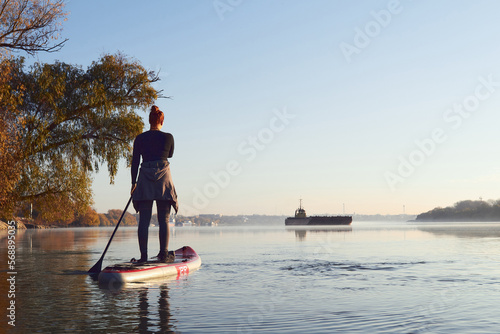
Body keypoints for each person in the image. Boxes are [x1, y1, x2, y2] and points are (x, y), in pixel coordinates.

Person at [130, 105, 178, 263]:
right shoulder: (168, 137)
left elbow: (135, 161)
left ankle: (143, 257)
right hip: (163, 177)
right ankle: (164, 254)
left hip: (144, 177)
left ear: (149, 121)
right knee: (163, 219)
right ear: (162, 121)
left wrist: (133, 183)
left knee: (144, 219)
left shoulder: (140, 138)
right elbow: (169, 154)